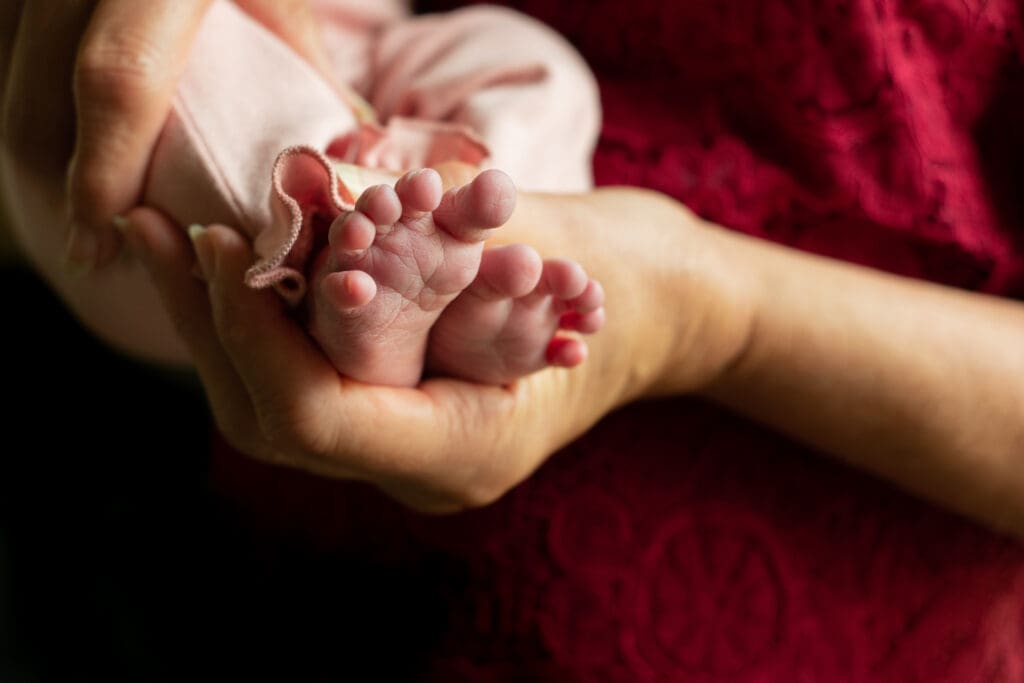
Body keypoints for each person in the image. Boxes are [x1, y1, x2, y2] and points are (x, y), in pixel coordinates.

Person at [4, 0, 1024, 679]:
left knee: (538, 87)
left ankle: (416, 249)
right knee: (182, 96)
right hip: (288, 112)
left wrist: (710, 313)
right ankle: (373, 238)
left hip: (484, 192)